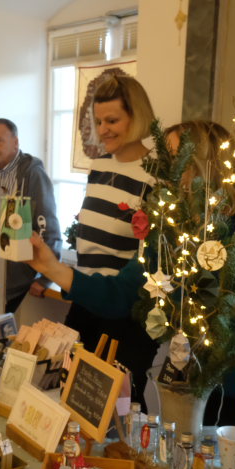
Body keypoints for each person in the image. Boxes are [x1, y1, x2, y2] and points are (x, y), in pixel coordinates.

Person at [29, 119, 235, 422]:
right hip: (195, 381)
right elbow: (124, 293)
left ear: (204, 160)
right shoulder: (171, 223)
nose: (167, 170)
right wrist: (51, 267)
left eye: (176, 158)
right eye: (163, 159)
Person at [64, 74, 158, 405]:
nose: (103, 129)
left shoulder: (155, 173)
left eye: (112, 120)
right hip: (86, 300)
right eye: (99, 121)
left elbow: (149, 257)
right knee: (70, 396)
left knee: (119, 409)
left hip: (123, 313)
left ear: (137, 117)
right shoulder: (100, 165)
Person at [0, 118, 61, 313]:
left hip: (18, 278)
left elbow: (48, 225)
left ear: (15, 142)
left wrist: (46, 277)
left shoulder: (32, 174)